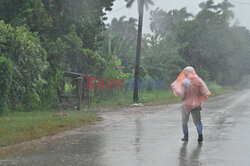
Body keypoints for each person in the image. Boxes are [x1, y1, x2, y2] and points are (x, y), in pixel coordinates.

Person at [171, 67, 211, 142]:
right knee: (198, 121)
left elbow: (182, 94)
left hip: (186, 104)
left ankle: (186, 137)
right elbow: (205, 92)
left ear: (186, 73)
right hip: (196, 104)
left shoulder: (185, 81)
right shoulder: (199, 81)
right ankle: (200, 135)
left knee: (184, 121)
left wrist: (175, 88)